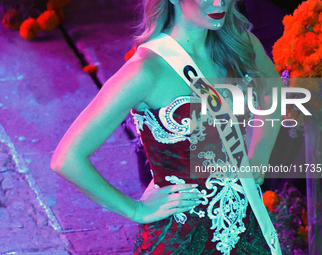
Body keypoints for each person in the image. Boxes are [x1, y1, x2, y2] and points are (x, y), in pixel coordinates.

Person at [51, 0, 283, 254]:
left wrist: (259, 153)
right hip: (181, 236)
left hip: (247, 229)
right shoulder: (146, 70)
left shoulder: (240, 44)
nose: (219, 3)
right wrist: (136, 209)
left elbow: (272, 91)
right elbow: (67, 159)